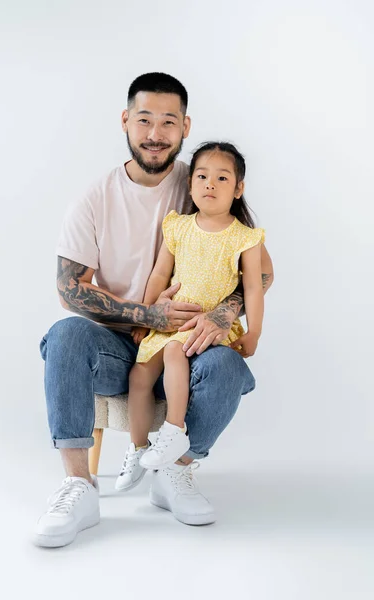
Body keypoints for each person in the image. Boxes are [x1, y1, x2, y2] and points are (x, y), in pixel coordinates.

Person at [35, 72, 274, 548]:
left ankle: (176, 471)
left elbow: (262, 272)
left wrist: (224, 314)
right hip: (120, 349)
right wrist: (148, 317)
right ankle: (79, 486)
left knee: (226, 364)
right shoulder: (95, 198)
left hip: (189, 345)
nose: (155, 133)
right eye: (144, 119)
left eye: (168, 121)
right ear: (126, 121)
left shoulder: (205, 179)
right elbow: (69, 290)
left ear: (185, 127)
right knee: (65, 333)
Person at [116, 141, 265, 490]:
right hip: (168, 325)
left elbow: (254, 288)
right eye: (202, 176)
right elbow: (158, 275)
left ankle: (174, 430)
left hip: (205, 330)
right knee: (139, 376)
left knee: (173, 354)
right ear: (190, 184)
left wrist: (254, 331)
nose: (210, 184)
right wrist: (146, 317)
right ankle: (138, 448)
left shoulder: (244, 237)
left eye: (222, 178)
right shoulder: (178, 227)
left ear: (238, 188)